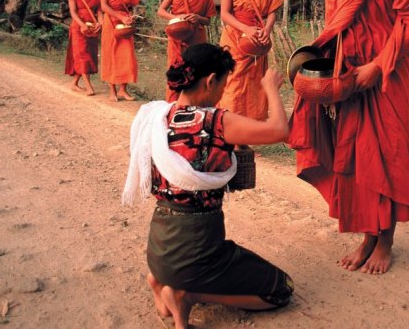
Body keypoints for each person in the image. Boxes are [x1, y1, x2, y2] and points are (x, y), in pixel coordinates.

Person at [288, 0, 409, 275]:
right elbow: (339, 22)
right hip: (350, 74)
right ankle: (367, 235)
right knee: (354, 153)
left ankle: (386, 241)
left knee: (388, 153)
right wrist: (322, 68)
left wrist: (379, 65)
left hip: (388, 73)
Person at [122, 44, 293, 329]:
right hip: (198, 251)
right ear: (211, 80)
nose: (221, 94)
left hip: (160, 248)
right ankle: (187, 294)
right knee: (280, 289)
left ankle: (163, 281)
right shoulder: (216, 121)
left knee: (183, 267)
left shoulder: (157, 118)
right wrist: (270, 87)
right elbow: (279, 130)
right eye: (223, 86)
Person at [218, 0, 285, 121]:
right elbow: (225, 14)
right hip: (233, 37)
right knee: (233, 82)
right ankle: (230, 130)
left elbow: (272, 12)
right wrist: (245, 29)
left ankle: (245, 137)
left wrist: (267, 31)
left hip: (257, 38)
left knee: (253, 85)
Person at [157, 0, 218, 102]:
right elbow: (161, 11)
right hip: (177, 36)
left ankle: (191, 104)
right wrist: (177, 18)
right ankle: (172, 105)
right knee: (176, 70)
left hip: (196, 38)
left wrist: (198, 18)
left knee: (195, 71)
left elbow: (208, 21)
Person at [100, 0, 142, 102]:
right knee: (111, 54)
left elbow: (135, 4)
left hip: (126, 22)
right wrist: (120, 16)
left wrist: (133, 16)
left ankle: (123, 90)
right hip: (111, 20)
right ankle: (112, 91)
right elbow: (104, 6)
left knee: (127, 56)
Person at [64, 0, 100, 96]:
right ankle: (89, 86)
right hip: (78, 28)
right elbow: (73, 12)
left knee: (89, 56)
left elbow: (99, 12)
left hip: (92, 29)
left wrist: (100, 23)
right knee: (83, 55)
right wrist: (82, 25)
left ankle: (74, 83)